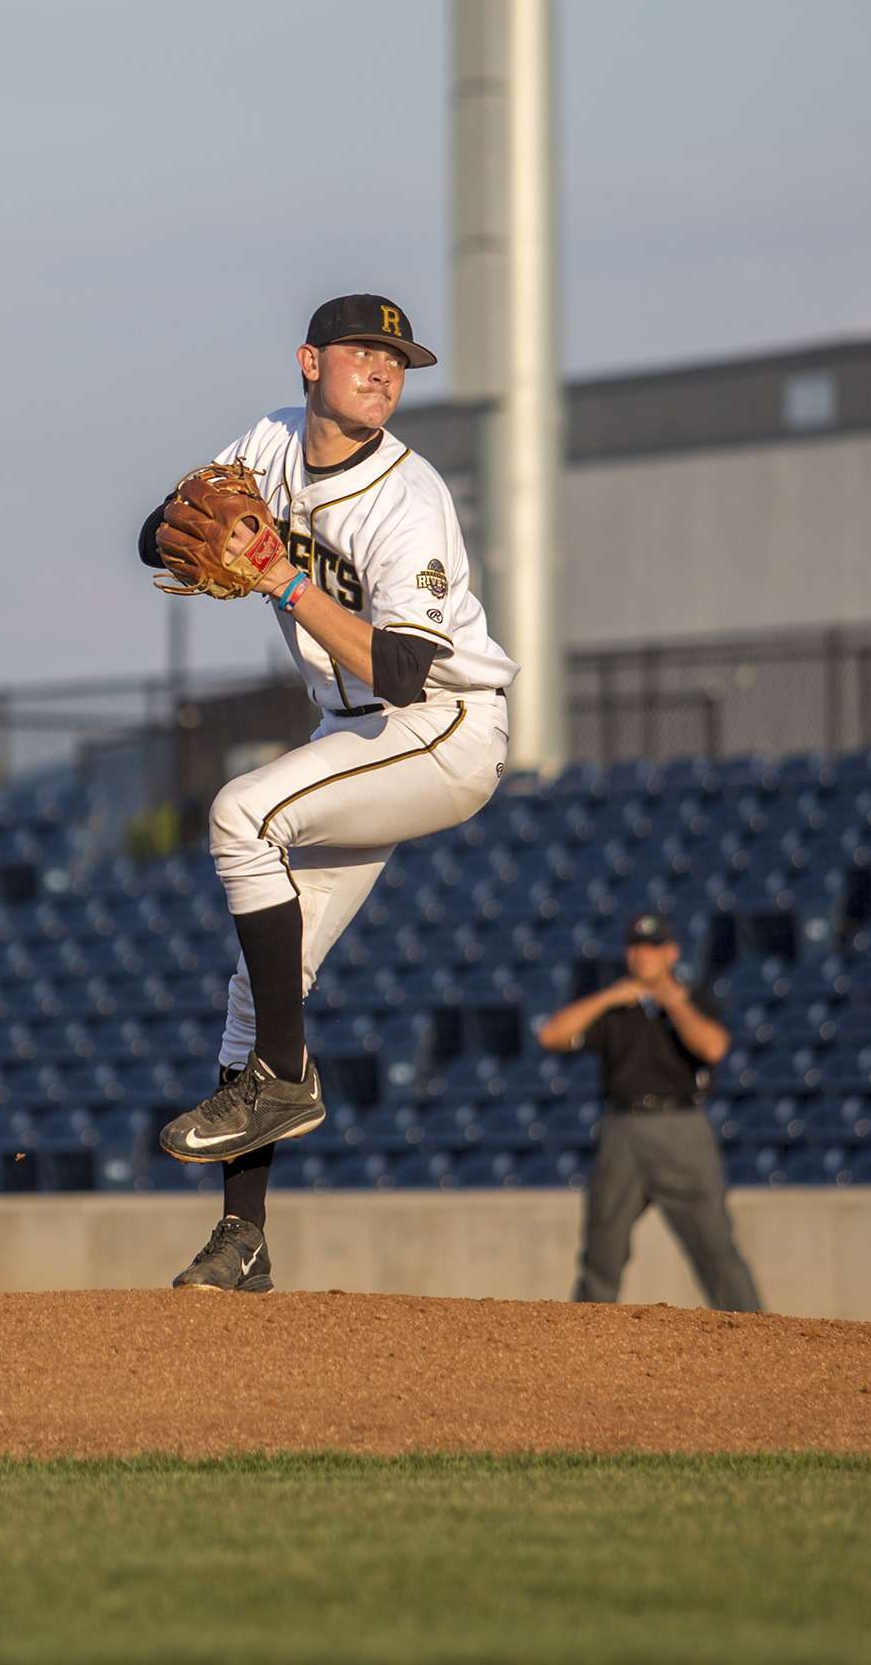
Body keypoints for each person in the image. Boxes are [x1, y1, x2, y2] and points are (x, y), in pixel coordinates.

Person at [138, 293, 513, 1292]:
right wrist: (186, 531)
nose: (384, 370)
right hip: (352, 733)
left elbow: (400, 673)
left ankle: (286, 1079)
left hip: (442, 725)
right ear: (310, 362)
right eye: (363, 352)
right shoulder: (265, 442)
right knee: (254, 989)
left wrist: (283, 581)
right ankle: (242, 1238)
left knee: (239, 812)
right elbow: (157, 535)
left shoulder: (410, 495)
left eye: (399, 359)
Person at [534, 912, 765, 1313]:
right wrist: (609, 997)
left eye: (653, 948)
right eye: (636, 947)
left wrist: (674, 1004)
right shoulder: (616, 1006)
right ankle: (583, 1340)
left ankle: (758, 1337)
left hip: (680, 1129)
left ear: (671, 952)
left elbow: (712, 1048)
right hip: (622, 1128)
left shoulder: (693, 998)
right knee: (603, 1250)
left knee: (715, 1248)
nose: (643, 956)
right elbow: (551, 1035)